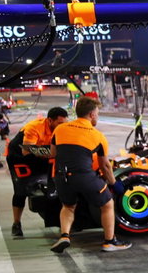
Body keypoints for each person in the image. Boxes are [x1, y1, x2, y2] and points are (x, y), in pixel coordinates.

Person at [49, 96, 129, 253]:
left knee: (68, 206)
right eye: (97, 113)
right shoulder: (97, 135)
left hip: (61, 176)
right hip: (84, 176)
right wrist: (113, 184)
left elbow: (53, 153)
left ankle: (65, 236)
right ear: (92, 114)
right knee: (107, 204)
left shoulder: (60, 129)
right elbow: (105, 166)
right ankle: (109, 241)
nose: (97, 116)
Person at [5, 105, 66, 238]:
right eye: (59, 123)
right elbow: (26, 151)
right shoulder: (34, 127)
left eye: (64, 123)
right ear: (50, 120)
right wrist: (53, 152)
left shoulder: (61, 128)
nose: (62, 126)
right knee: (21, 189)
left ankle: (60, 221)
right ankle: (16, 224)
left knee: (54, 184)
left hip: (40, 154)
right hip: (19, 157)